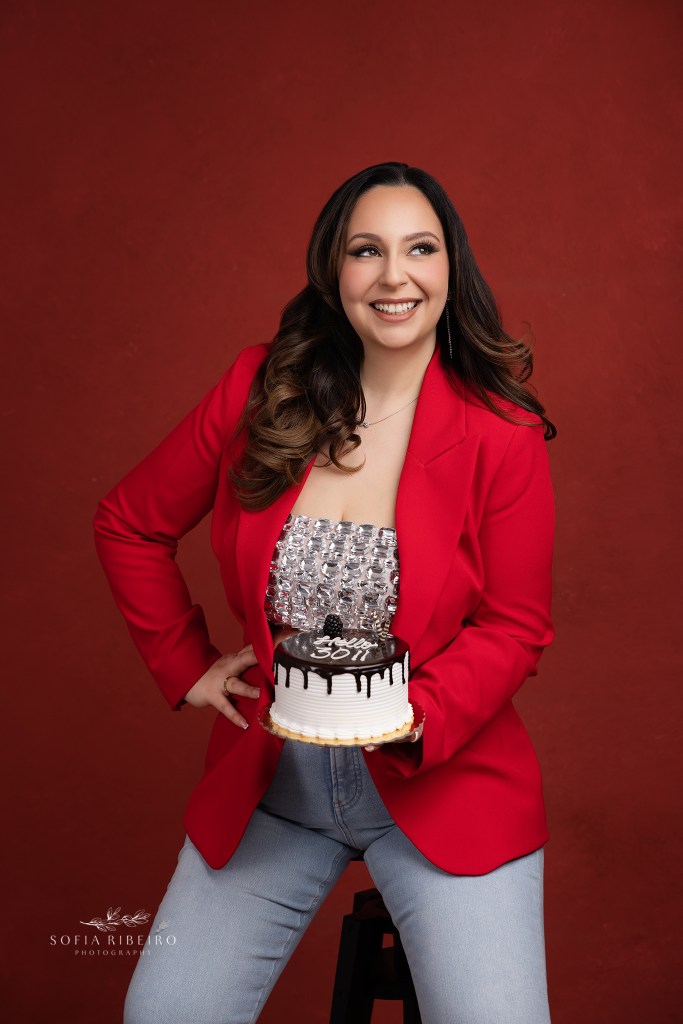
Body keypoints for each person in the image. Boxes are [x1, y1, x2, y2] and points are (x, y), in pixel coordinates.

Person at [94, 161, 557, 1024]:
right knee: (162, 1014)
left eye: (419, 248)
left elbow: (516, 627)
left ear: (450, 267)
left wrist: (413, 713)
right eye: (365, 251)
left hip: (441, 782)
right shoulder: (258, 387)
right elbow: (129, 523)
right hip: (277, 786)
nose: (394, 275)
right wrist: (184, 661)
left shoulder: (503, 430)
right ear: (332, 270)